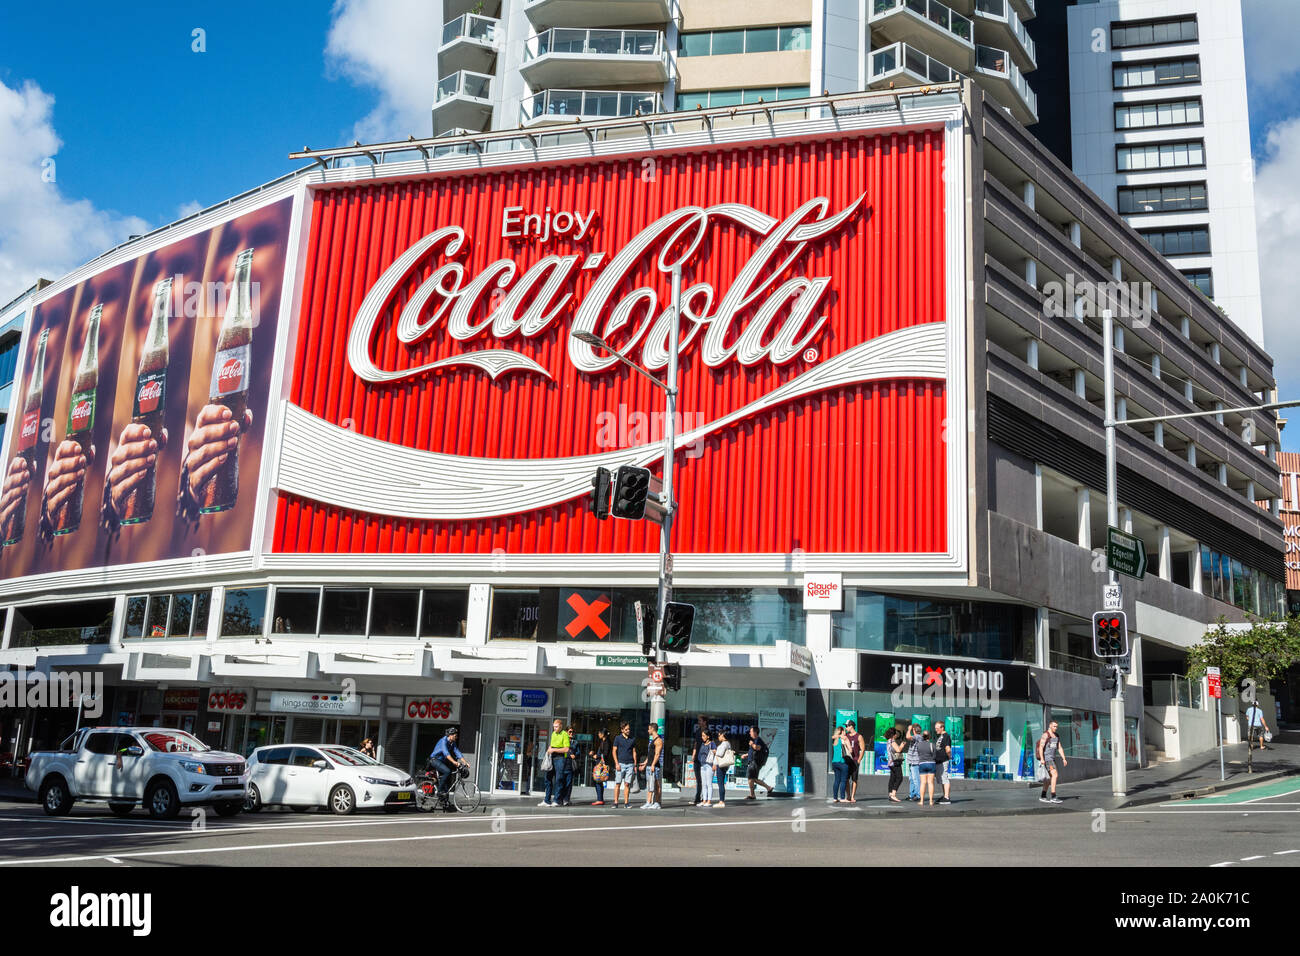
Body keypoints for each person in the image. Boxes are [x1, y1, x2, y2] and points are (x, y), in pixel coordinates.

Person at [429, 727, 468, 802]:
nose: (456, 737)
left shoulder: (452, 743)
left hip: (441, 761)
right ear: (450, 735)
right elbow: (446, 753)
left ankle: (444, 801)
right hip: (434, 760)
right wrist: (454, 762)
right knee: (447, 771)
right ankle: (439, 791)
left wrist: (464, 762)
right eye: (455, 736)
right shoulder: (443, 741)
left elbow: (457, 752)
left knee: (446, 781)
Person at [540, 718, 570, 808]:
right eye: (554, 727)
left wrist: (553, 749)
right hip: (552, 757)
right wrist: (549, 749)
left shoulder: (564, 734)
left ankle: (557, 800)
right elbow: (552, 745)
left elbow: (566, 749)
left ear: (561, 726)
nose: (555, 728)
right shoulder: (553, 734)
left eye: (556, 727)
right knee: (548, 778)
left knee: (559, 779)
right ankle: (547, 800)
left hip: (560, 758)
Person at [1036, 720, 1067, 804]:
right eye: (1054, 726)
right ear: (1050, 726)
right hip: (1047, 759)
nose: (1055, 728)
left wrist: (1063, 758)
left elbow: (1059, 748)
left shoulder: (1056, 736)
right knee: (1055, 774)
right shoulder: (1045, 735)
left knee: (1048, 779)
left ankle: (1043, 795)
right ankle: (1053, 796)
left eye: (1056, 726)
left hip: (1052, 759)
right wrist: (1042, 759)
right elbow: (1041, 747)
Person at [745, 726, 775, 800]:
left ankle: (753, 794)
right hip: (753, 762)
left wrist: (751, 744)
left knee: (751, 778)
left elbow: (757, 748)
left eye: (751, 731)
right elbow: (753, 751)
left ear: (755, 732)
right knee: (753, 778)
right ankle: (768, 788)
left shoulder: (758, 740)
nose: (749, 733)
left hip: (754, 762)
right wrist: (746, 755)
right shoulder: (756, 740)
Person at [611, 722, 637, 809]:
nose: (628, 730)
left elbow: (634, 752)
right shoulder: (617, 738)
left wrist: (635, 765)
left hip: (630, 764)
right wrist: (616, 763)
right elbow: (614, 751)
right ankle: (615, 802)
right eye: (626, 729)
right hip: (620, 764)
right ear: (622, 730)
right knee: (618, 783)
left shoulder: (632, 739)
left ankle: (626, 803)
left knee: (627, 784)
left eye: (629, 729)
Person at [639, 723, 664, 810]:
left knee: (656, 785)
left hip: (654, 766)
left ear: (652, 729)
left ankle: (656, 803)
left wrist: (653, 765)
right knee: (650, 785)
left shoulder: (658, 741)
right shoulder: (652, 740)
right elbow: (650, 755)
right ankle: (649, 802)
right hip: (650, 766)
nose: (648, 730)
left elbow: (657, 754)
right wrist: (645, 764)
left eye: (649, 729)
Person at [840, 720, 864, 804]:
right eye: (846, 726)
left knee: (854, 779)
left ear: (851, 726)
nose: (846, 728)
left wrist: (859, 760)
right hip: (847, 761)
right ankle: (848, 796)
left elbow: (863, 749)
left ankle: (853, 796)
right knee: (846, 779)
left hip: (855, 761)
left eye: (847, 726)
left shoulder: (859, 736)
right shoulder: (845, 735)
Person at [589, 729, 611, 806]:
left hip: (601, 765)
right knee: (598, 781)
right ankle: (600, 798)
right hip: (599, 763)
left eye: (599, 733)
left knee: (598, 780)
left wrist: (597, 756)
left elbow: (605, 754)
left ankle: (600, 799)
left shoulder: (606, 742)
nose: (598, 734)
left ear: (603, 734)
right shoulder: (602, 742)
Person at [690, 715, 709, 804]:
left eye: (700, 721)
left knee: (704, 779)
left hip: (704, 758)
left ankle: (705, 798)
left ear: (705, 722)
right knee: (698, 779)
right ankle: (698, 797)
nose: (699, 722)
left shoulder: (708, 732)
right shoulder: (697, 731)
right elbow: (696, 743)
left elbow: (710, 744)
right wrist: (693, 754)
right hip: (697, 757)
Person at [933, 721, 952, 805]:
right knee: (941, 779)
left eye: (937, 728)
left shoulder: (946, 736)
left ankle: (947, 798)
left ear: (942, 728)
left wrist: (949, 756)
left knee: (944, 778)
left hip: (943, 760)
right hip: (939, 761)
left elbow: (948, 749)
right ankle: (944, 796)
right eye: (935, 728)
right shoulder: (941, 736)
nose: (936, 730)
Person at [915, 730, 936, 806]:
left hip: (922, 764)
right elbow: (934, 756)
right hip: (931, 763)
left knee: (923, 783)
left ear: (922, 736)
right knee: (930, 782)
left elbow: (919, 754)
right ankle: (930, 801)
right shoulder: (932, 744)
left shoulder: (919, 745)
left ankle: (922, 801)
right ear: (929, 737)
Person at [712, 731, 732, 808]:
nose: (718, 737)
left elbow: (719, 754)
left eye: (719, 735)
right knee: (721, 783)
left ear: (723, 735)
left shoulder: (724, 744)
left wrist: (715, 752)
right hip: (724, 765)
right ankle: (721, 800)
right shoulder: (728, 743)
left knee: (720, 783)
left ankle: (721, 801)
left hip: (721, 765)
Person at [884, 727, 904, 803]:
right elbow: (898, 750)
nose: (896, 735)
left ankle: (890, 794)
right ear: (893, 734)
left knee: (892, 778)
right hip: (895, 762)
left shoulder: (888, 741)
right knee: (899, 778)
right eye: (896, 733)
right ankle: (893, 794)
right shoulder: (892, 741)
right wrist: (902, 745)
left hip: (890, 762)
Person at [697, 728, 715, 807]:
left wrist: (715, 764)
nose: (702, 737)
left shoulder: (712, 744)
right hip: (703, 765)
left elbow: (716, 754)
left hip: (709, 765)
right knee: (703, 784)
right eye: (702, 736)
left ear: (708, 736)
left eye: (704, 736)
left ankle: (709, 801)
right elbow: (700, 754)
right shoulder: (702, 744)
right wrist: (700, 760)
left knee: (709, 784)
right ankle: (704, 800)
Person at [830, 726, 847, 804]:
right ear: (841, 732)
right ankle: (843, 798)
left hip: (834, 762)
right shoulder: (842, 740)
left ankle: (835, 798)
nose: (845, 732)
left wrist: (839, 735)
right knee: (843, 780)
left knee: (837, 780)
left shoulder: (835, 740)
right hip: (842, 762)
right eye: (844, 731)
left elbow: (832, 736)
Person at [905, 724, 922, 801]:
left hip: (915, 761)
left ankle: (918, 795)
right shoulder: (917, 737)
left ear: (914, 730)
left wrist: (908, 729)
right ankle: (912, 794)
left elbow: (908, 737)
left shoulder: (918, 736)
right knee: (911, 779)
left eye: (912, 730)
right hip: (912, 761)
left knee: (916, 779)